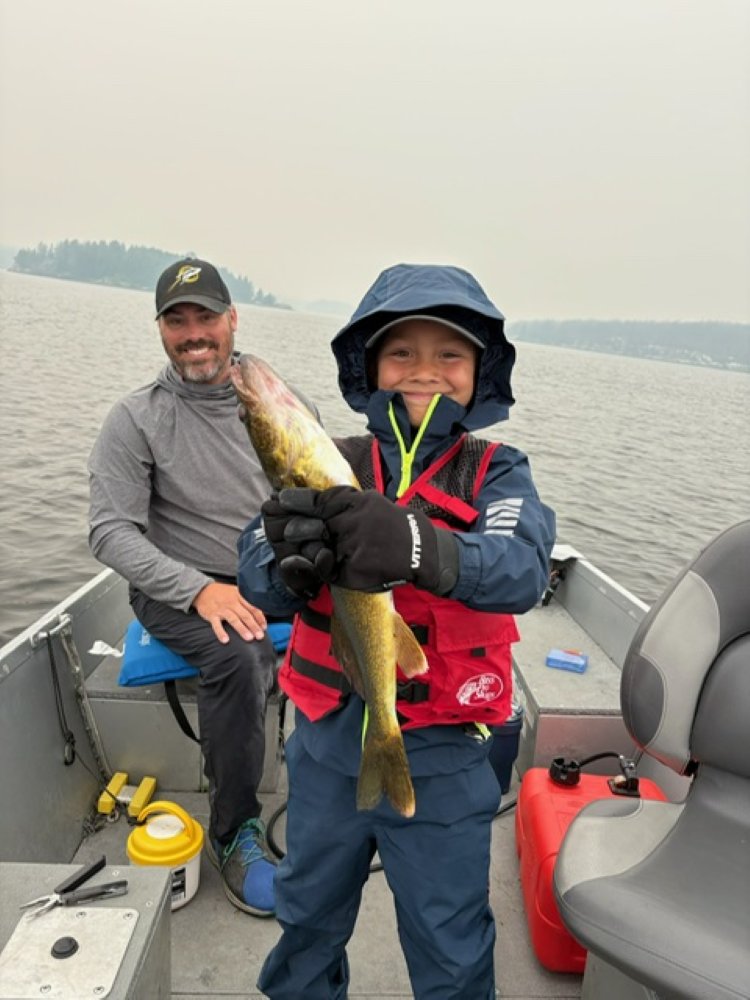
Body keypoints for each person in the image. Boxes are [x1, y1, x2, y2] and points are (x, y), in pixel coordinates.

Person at [237, 262, 556, 998]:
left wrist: (419, 547)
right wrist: (280, 558)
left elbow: (521, 568)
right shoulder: (333, 460)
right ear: (370, 368)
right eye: (402, 353)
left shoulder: (498, 472)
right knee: (306, 917)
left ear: (481, 371)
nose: (426, 371)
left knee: (449, 939)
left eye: (450, 354)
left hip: (445, 758)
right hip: (323, 747)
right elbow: (252, 571)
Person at [88, 257, 287, 917]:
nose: (194, 333)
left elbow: (320, 494)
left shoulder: (278, 402)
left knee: (365, 628)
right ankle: (235, 828)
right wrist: (200, 591)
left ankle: (345, 794)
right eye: (179, 320)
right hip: (178, 587)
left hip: (272, 575)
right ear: (161, 329)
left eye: (207, 317)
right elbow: (111, 533)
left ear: (234, 320)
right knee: (240, 655)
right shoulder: (135, 418)